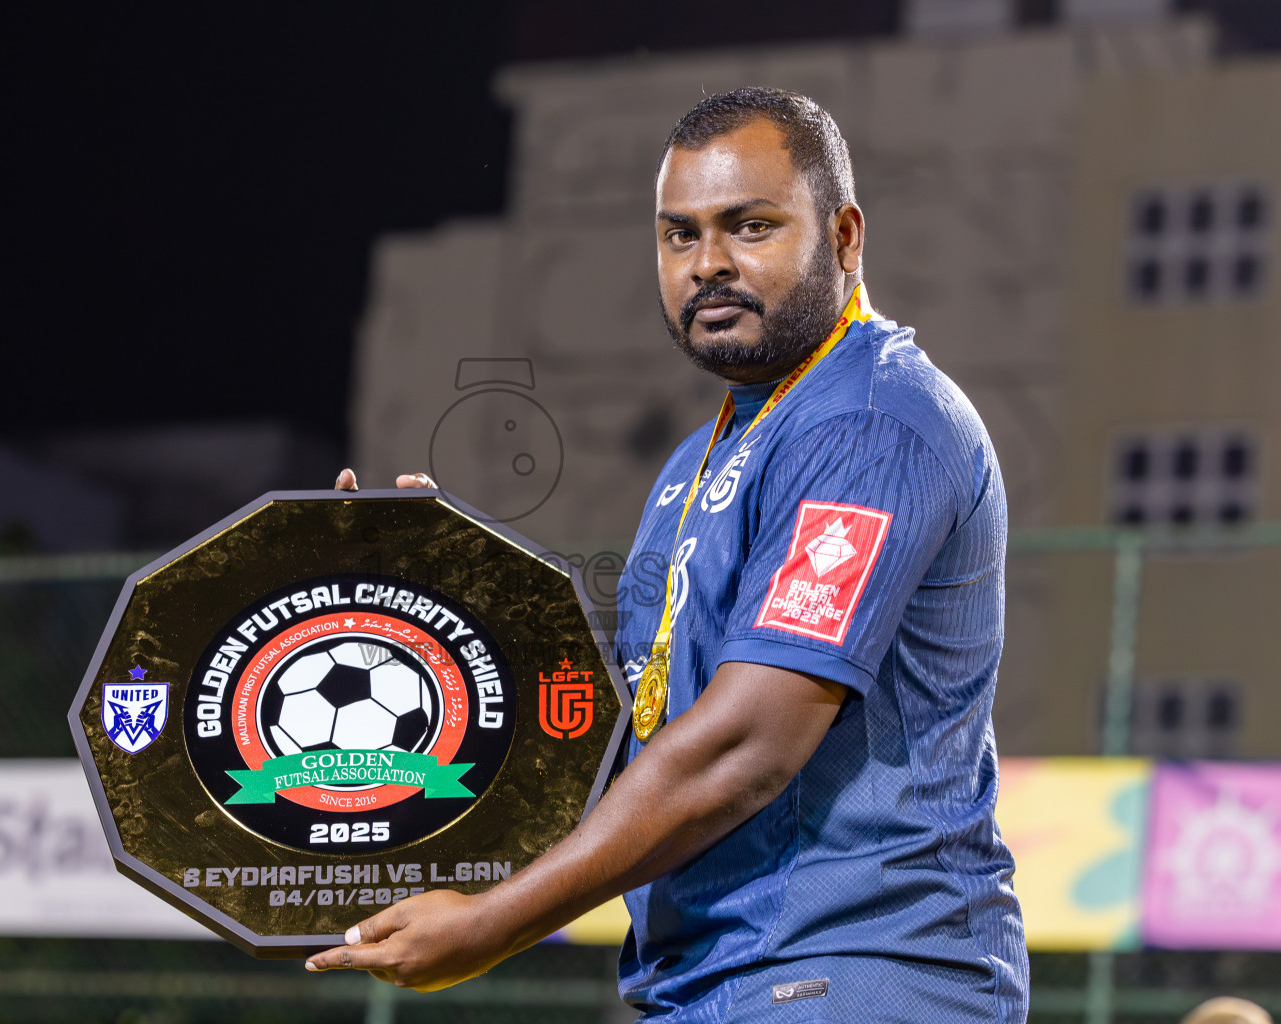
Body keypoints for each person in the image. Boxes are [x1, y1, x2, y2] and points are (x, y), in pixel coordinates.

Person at [318, 87, 1028, 1022]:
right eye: (679, 235)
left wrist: (494, 923)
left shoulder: (873, 423)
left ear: (846, 238)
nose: (710, 265)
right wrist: (447, 603)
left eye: (752, 226)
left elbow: (745, 747)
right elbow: (624, 732)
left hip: (855, 970)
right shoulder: (705, 459)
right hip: (714, 980)